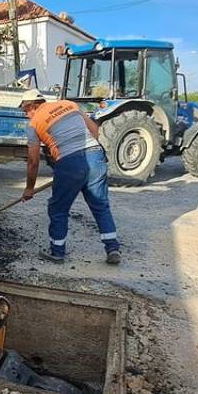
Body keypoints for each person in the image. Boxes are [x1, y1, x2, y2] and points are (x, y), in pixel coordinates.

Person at [20, 89, 121, 265]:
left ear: (32, 106)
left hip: (69, 162)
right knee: (100, 205)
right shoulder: (69, 104)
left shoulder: (34, 124)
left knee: (58, 208)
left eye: (25, 111)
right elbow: (94, 131)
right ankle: (112, 248)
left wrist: (29, 188)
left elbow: (33, 162)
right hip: (95, 155)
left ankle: (57, 252)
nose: (26, 115)